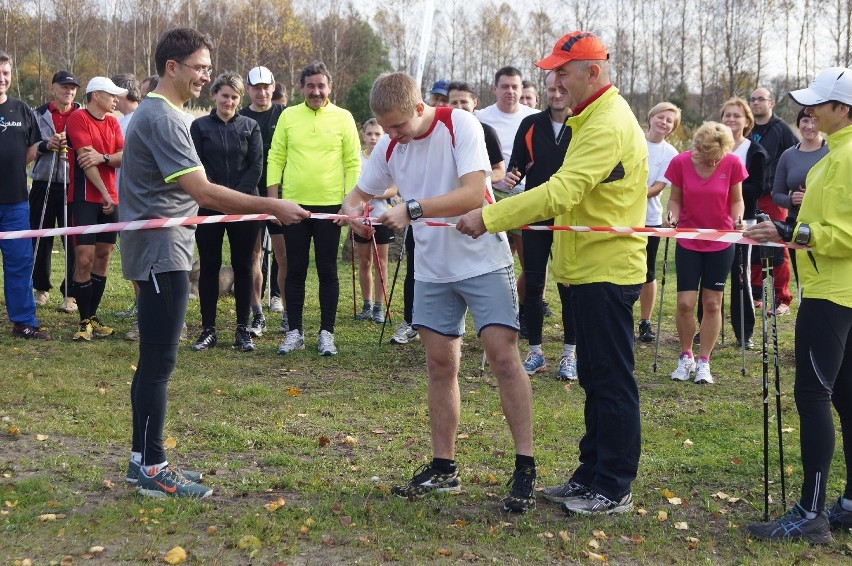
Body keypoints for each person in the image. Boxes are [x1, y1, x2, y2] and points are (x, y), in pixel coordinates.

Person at [458, 31, 647, 515]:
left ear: (592, 73)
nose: (553, 79)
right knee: (594, 378)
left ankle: (614, 485)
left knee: (611, 380)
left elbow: (562, 191)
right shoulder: (589, 118)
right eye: (552, 71)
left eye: (562, 71)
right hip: (585, 268)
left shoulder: (606, 124)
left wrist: (491, 215)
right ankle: (590, 475)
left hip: (606, 269)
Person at [120, 27, 309, 498]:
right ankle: (153, 467)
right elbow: (203, 192)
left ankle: (142, 459)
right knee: (159, 362)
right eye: (201, 67)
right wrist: (271, 207)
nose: (206, 76)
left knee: (153, 361)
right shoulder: (163, 118)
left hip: (165, 247)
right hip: (161, 252)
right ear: (172, 67)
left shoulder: (164, 113)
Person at [341, 71, 537, 513]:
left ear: (417, 108)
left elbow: (472, 194)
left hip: (483, 260)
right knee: (439, 364)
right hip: (431, 269)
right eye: (383, 129)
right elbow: (357, 193)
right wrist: (352, 211)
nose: (391, 137)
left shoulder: (459, 125)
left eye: (396, 126)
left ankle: (525, 466)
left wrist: (410, 209)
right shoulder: (391, 143)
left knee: (503, 357)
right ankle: (443, 466)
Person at [745, 66, 852, 544]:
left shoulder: (845, 160)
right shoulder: (833, 155)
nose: (808, 112)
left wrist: (787, 232)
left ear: (843, 109)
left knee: (814, 397)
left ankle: (810, 513)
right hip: (834, 291)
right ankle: (846, 502)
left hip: (833, 295)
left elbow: (843, 233)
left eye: (819, 104)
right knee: (845, 397)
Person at [267, 61, 361, 356]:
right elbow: (276, 156)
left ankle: (327, 333)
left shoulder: (344, 118)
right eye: (310, 86)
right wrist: (273, 201)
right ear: (301, 88)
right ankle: (294, 331)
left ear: (329, 87)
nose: (316, 91)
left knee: (327, 270)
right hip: (293, 205)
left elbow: (353, 162)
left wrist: (350, 203)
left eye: (321, 86)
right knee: (294, 268)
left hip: (331, 207)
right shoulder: (288, 116)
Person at [502, 70, 576, 380]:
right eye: (551, 89)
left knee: (569, 285)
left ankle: (570, 355)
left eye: (561, 88)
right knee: (533, 283)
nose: (556, 94)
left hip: (572, 214)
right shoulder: (531, 124)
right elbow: (516, 165)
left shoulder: (583, 123)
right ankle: (535, 352)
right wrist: (511, 176)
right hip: (536, 212)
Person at [666, 122, 745, 384]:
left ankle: (703, 362)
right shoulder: (680, 162)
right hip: (688, 240)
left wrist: (737, 219)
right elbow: (675, 198)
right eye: (700, 151)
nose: (704, 158)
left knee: (712, 303)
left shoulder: (732, 163)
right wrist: (672, 216)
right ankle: (685, 355)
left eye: (712, 156)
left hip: (721, 242)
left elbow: (736, 200)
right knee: (685, 303)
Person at [189, 71, 263, 352]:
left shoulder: (250, 126)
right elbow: (197, 163)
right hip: (209, 205)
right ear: (215, 95)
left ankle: (242, 329)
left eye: (234, 97)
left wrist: (236, 199)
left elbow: (256, 166)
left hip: (244, 206)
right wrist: (216, 196)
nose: (229, 101)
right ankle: (208, 329)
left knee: (243, 266)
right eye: (224, 95)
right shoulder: (199, 127)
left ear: (238, 99)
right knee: (209, 265)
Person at [477, 67, 538, 335]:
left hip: (527, 195)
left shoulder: (534, 118)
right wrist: (495, 181)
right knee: (494, 261)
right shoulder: (481, 118)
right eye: (505, 86)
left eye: (515, 87)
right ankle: (495, 313)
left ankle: (523, 310)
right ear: (495, 89)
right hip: (492, 196)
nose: (510, 92)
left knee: (531, 263)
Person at [66, 76, 126, 342]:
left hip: (111, 199)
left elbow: (123, 156)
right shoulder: (78, 118)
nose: (116, 99)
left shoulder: (113, 122)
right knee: (84, 259)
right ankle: (83, 321)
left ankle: (92, 317)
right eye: (112, 95)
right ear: (96, 95)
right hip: (84, 199)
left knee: (103, 257)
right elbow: (84, 161)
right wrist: (103, 193)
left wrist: (104, 157)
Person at [0, 50, 51, 340]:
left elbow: (30, 149)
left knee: (20, 263)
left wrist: (29, 155)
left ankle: (23, 322)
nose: (2, 78)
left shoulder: (21, 110)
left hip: (16, 202)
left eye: (6, 73)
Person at [239, 66, 287, 336]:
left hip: (281, 197)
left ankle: (286, 310)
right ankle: (257, 314)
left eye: (265, 87)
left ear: (273, 86)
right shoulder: (241, 117)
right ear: (248, 89)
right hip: (251, 197)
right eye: (255, 88)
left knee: (284, 255)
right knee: (253, 256)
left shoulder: (284, 115)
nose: (261, 92)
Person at [29, 70, 80, 314]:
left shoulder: (82, 114)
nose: (68, 91)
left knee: (71, 239)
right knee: (40, 236)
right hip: (42, 182)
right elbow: (28, 148)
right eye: (64, 86)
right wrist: (46, 144)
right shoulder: (37, 114)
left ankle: (70, 294)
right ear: (53, 88)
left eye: (72, 87)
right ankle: (41, 288)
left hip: (72, 183)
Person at [719, 97, 768, 350]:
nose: (731, 120)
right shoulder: (713, 147)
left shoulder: (754, 151)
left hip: (741, 223)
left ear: (747, 121)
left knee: (741, 279)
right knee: (711, 280)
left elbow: (757, 187)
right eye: (727, 115)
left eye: (736, 115)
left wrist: (725, 188)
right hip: (711, 222)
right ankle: (705, 329)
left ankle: (744, 332)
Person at [749, 87, 798, 315]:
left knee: (777, 246)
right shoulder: (746, 128)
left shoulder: (781, 129)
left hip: (773, 196)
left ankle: (783, 299)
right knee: (753, 245)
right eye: (753, 99)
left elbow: (798, 154)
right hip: (748, 196)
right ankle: (755, 294)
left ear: (772, 103)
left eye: (761, 99)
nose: (756, 102)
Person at [771, 107, 828, 295]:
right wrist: (791, 200)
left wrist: (813, 197)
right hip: (798, 226)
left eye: (814, 121)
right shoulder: (788, 155)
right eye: (805, 121)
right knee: (804, 281)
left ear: (821, 123)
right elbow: (776, 194)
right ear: (798, 124)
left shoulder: (832, 151)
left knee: (826, 279)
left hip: (826, 224)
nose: (809, 126)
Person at [637, 103, 680, 343]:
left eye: (669, 121)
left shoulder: (670, 153)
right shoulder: (633, 139)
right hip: (620, 217)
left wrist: (629, 194)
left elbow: (657, 189)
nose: (663, 122)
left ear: (673, 127)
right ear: (651, 117)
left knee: (647, 271)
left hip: (649, 219)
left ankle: (645, 321)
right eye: (660, 117)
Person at [352, 119, 397, 323]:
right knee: (364, 261)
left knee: (381, 263)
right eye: (369, 134)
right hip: (362, 218)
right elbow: (354, 189)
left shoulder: (389, 157)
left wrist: (369, 194)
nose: (373, 138)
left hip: (383, 217)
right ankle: (367, 304)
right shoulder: (357, 159)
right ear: (364, 135)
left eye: (377, 134)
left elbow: (394, 189)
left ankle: (380, 306)